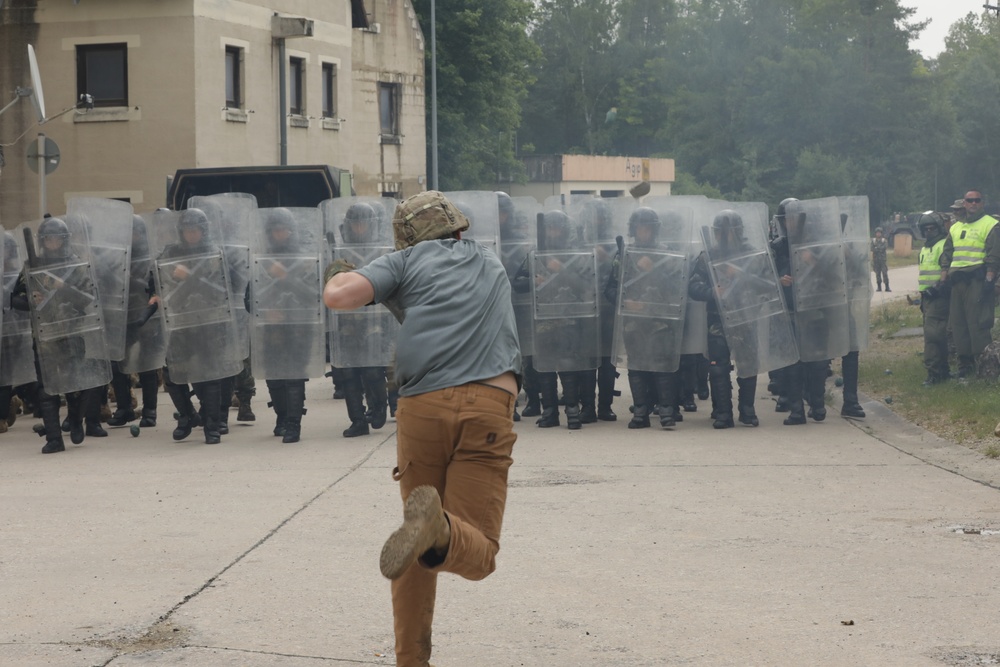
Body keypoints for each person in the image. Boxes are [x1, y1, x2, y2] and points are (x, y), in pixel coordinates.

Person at [323, 190, 519, 667]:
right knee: (479, 551)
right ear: (458, 226)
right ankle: (441, 531)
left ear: (405, 235)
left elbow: (339, 296)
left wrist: (347, 273)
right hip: (489, 407)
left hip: (423, 408)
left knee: (415, 546)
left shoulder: (404, 262)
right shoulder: (490, 262)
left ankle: (411, 660)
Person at [689, 210, 760, 428]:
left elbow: (766, 283)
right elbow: (692, 285)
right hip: (717, 318)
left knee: (748, 364)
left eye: (730, 231)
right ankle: (723, 412)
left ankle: (747, 410)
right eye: (721, 231)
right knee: (718, 367)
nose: (725, 235)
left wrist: (741, 275)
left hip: (745, 316)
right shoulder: (708, 256)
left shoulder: (752, 255)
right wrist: (712, 291)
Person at [940, 190, 1000, 378]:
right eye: (969, 200)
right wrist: (943, 278)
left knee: (978, 324)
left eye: (977, 200)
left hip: (977, 280)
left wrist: (990, 279)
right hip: (957, 282)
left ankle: (984, 366)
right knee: (958, 324)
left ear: (982, 203)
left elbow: (994, 254)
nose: (973, 203)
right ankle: (965, 365)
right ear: (964, 203)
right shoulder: (956, 227)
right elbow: (947, 253)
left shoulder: (990, 224)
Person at [916, 213, 951, 385]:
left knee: (933, 336)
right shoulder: (924, 248)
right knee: (936, 335)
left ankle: (934, 373)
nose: (929, 232)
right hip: (926, 299)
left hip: (938, 297)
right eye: (926, 229)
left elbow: (947, 270)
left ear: (938, 228)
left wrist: (937, 289)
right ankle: (942, 370)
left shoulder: (943, 245)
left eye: (932, 228)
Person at [871, 226, 890, 292]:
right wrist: (877, 248)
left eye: (879, 233)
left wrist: (877, 248)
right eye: (877, 233)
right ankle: (879, 287)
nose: (878, 234)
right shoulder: (873, 241)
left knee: (885, 273)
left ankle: (887, 286)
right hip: (876, 260)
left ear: (881, 233)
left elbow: (884, 247)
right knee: (877, 274)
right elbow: (872, 249)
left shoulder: (884, 240)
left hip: (882, 260)